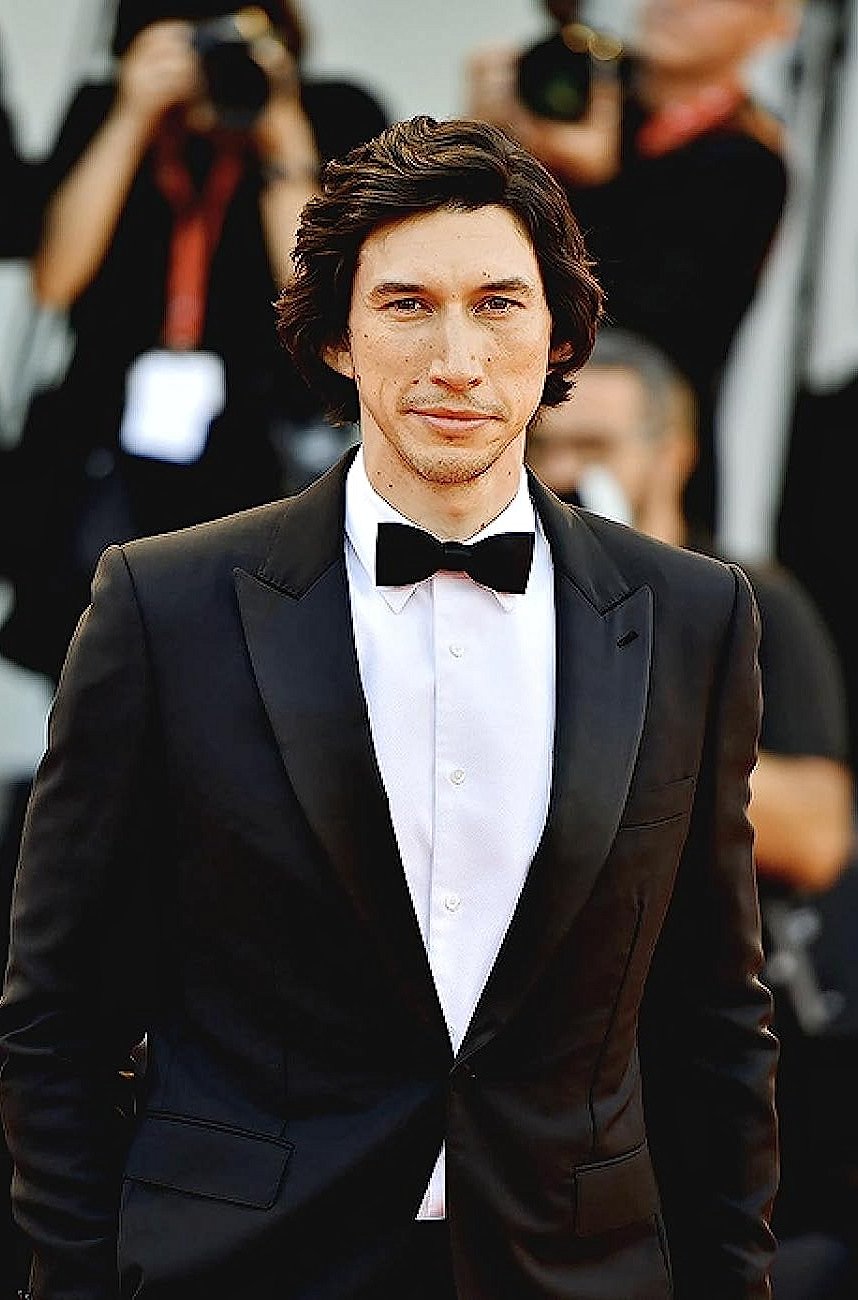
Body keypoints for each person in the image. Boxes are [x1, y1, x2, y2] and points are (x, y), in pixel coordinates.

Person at [0, 115, 778, 1300]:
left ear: (561, 333)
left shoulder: (691, 615)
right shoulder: (165, 605)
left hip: (574, 1269)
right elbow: (59, 1016)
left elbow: (712, 1020)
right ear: (337, 336)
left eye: (499, 304)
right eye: (408, 304)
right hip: (243, 1269)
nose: (456, 358)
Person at [528, 325, 858, 1298]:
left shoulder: (746, 602)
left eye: (595, 446)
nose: (566, 474)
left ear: (672, 452)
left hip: (721, 1053)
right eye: (547, 449)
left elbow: (815, 833)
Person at [0, 0, 388, 686]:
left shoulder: (332, 110)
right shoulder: (106, 110)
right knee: (97, 649)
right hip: (107, 434)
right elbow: (55, 281)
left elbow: (324, 296)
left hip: (264, 437)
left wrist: (283, 137)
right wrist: (129, 120)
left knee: (244, 663)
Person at [466, 0, 797, 536]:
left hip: (642, 462)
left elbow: (652, 320)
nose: (675, 4)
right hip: (509, 427)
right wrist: (481, 146)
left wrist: (586, 185)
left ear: (775, 23)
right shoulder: (586, 85)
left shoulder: (749, 160)